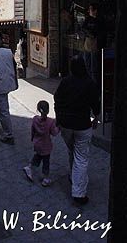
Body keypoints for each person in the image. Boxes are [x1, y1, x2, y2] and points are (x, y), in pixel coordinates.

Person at [54, 55, 101, 205]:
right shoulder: (90, 83)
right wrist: (96, 117)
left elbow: (57, 100)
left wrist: (58, 119)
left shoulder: (66, 82)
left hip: (66, 125)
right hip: (82, 125)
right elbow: (95, 103)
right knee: (81, 157)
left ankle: (73, 176)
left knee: (72, 151)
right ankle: (79, 193)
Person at [23, 100, 60, 187]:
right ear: (48, 110)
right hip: (46, 145)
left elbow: (32, 130)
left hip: (37, 143)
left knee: (38, 156)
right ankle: (45, 178)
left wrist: (32, 139)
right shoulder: (50, 122)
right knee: (46, 162)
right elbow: (54, 133)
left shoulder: (35, 119)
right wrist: (59, 127)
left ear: (38, 110)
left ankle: (30, 167)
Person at [82, 3, 105, 85]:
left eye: (91, 9)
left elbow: (100, 33)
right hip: (87, 44)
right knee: (87, 64)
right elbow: (83, 28)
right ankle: (87, 82)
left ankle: (94, 85)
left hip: (95, 44)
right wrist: (88, 33)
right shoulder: (88, 19)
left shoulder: (99, 20)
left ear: (95, 11)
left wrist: (91, 34)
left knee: (94, 67)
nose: (89, 11)